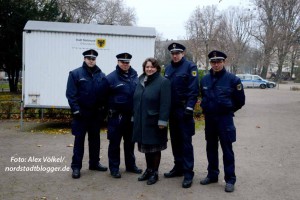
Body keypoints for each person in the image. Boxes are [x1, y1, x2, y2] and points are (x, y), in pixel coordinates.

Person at [199, 50, 245, 192]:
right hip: (210, 119)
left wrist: (228, 110)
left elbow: (240, 101)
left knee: (227, 150)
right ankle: (212, 175)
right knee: (211, 148)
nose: (216, 64)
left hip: (225, 119)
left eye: (219, 61)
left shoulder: (233, 80)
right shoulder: (205, 80)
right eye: (213, 62)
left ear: (224, 62)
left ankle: (230, 179)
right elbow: (203, 96)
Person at [66, 49, 109, 179]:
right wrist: (76, 110)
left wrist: (103, 111)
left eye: (93, 59)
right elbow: (71, 94)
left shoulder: (101, 75)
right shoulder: (75, 74)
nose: (91, 60)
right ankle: (76, 167)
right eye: (89, 58)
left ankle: (94, 163)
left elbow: (105, 95)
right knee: (79, 141)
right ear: (84, 59)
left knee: (95, 141)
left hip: (95, 114)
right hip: (81, 114)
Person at [164, 42, 199, 188]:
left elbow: (193, 89)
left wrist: (190, 107)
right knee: (175, 141)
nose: (175, 55)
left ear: (183, 53)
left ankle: (188, 172)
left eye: (177, 53)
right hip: (172, 110)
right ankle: (178, 167)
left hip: (184, 110)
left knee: (185, 142)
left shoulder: (190, 67)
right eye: (173, 53)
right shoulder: (168, 68)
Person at [132, 58, 171, 185]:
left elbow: (165, 103)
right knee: (146, 148)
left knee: (154, 149)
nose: (149, 69)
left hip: (155, 122)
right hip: (142, 121)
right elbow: (136, 99)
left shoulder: (163, 82)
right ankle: (148, 170)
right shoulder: (141, 80)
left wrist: (162, 121)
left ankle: (155, 172)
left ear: (157, 68)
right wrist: (135, 116)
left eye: (152, 67)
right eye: (147, 67)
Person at [106, 52, 142, 178]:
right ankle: (114, 168)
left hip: (130, 116)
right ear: (118, 62)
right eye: (123, 62)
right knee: (114, 143)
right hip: (116, 117)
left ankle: (131, 165)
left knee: (130, 143)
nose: (125, 64)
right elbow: (103, 97)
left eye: (127, 62)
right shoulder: (110, 78)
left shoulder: (135, 76)